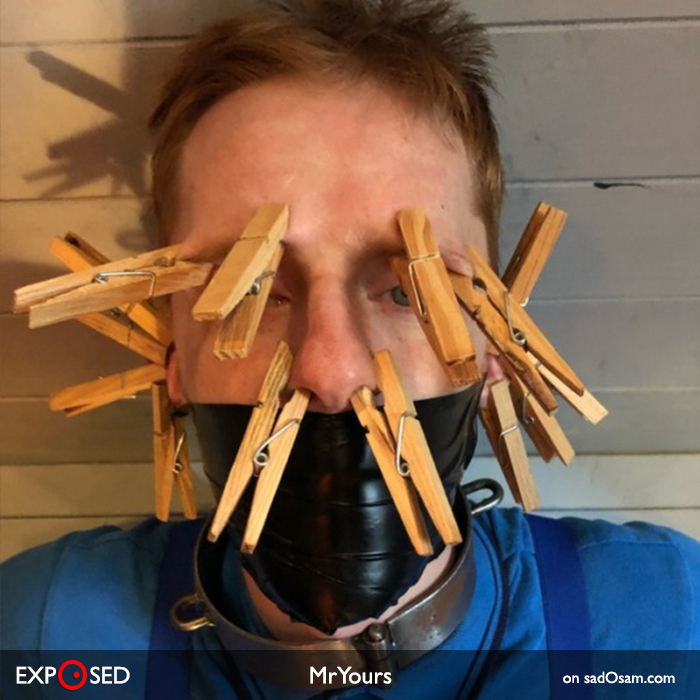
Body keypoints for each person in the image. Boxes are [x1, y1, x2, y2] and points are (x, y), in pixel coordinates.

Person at [1, 1, 699, 698]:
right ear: (172, 360)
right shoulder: (39, 633)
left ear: (496, 349)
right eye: (249, 293)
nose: (330, 373)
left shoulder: (668, 623)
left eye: (408, 292)